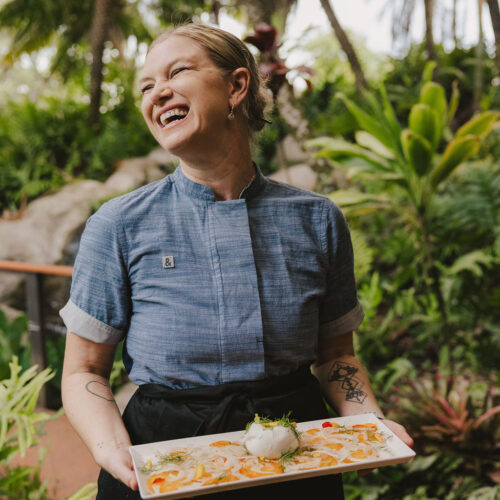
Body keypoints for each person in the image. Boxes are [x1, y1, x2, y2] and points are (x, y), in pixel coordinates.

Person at [60, 23, 413, 500]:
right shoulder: (118, 225)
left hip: (298, 457)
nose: (157, 92)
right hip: (164, 460)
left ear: (237, 86)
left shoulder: (318, 219)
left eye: (177, 71)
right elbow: (83, 369)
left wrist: (368, 426)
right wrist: (111, 450)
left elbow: (337, 357)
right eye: (146, 86)